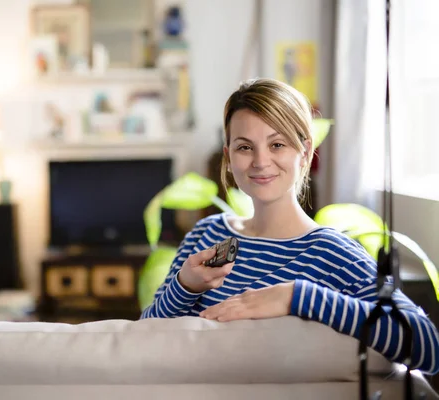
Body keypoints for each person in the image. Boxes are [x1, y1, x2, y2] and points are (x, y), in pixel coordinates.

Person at [140, 78, 439, 375]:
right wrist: (185, 285)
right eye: (245, 147)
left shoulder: (330, 252)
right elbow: (142, 339)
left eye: (277, 144)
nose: (261, 161)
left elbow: (427, 346)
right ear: (229, 157)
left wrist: (296, 297)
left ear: (305, 152)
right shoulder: (207, 234)